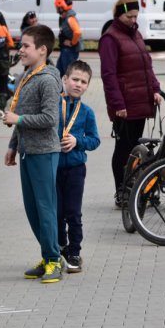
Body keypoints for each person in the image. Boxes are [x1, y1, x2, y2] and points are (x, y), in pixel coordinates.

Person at [3, 25, 63, 283]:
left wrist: (19, 119)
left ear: (42, 50)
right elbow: (20, 114)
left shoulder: (48, 80)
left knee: (45, 208)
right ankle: (48, 254)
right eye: (21, 45)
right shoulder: (27, 75)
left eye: (26, 46)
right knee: (32, 209)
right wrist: (13, 144)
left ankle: (54, 260)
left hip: (44, 152)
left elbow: (50, 119)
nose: (21, 49)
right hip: (28, 151)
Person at [99, 0, 162, 207]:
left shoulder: (136, 34)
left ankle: (134, 188)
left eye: (136, 16)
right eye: (129, 16)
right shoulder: (110, 38)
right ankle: (121, 191)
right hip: (125, 105)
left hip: (140, 102)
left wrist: (155, 89)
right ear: (119, 14)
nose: (133, 20)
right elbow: (108, 75)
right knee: (123, 148)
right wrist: (118, 105)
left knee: (135, 147)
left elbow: (147, 66)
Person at [56, 60, 100, 273]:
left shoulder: (87, 112)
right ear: (64, 79)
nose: (78, 84)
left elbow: (95, 140)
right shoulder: (53, 106)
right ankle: (60, 247)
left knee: (73, 212)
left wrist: (77, 142)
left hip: (75, 169)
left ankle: (74, 251)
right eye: (75, 79)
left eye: (83, 82)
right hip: (53, 167)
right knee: (55, 212)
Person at [55, 0, 82, 77]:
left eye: (57, 8)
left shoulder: (70, 18)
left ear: (61, 8)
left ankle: (67, 89)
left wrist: (72, 43)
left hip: (69, 51)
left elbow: (77, 32)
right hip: (65, 50)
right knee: (59, 72)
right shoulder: (65, 17)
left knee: (67, 74)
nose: (56, 10)